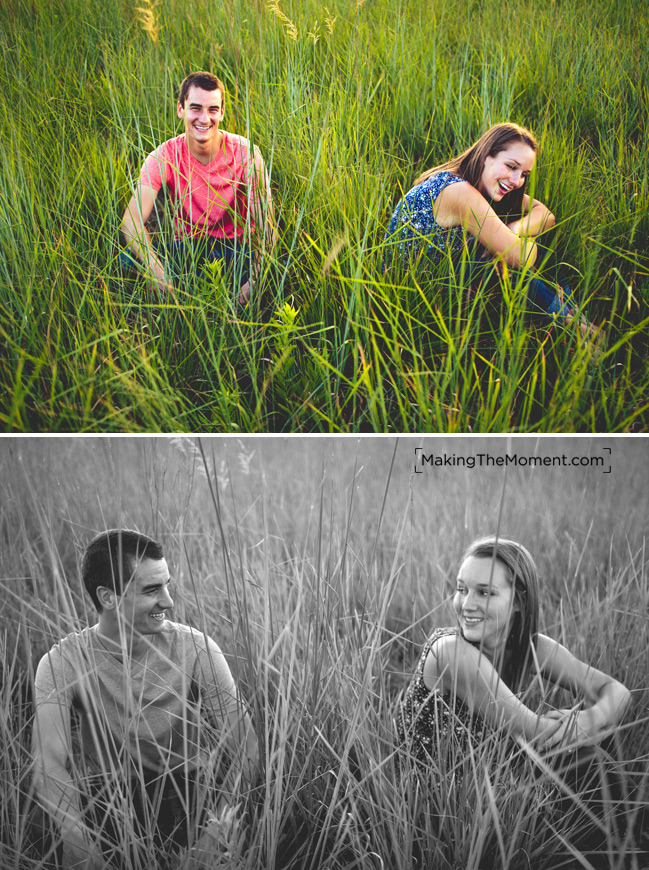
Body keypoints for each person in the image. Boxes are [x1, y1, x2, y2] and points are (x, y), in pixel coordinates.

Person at [29, 529, 258, 868]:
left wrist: (217, 830)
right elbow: (48, 762)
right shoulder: (62, 660)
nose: (168, 601)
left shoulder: (196, 648)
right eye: (152, 590)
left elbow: (247, 747)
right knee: (39, 823)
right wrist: (77, 839)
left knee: (245, 835)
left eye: (166, 584)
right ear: (108, 597)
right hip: (110, 796)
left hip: (188, 791)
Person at [397, 535, 631, 861]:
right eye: (462, 589)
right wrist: (579, 726)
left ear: (518, 600)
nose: (466, 604)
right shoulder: (452, 654)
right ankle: (616, 851)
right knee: (588, 760)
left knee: (592, 755)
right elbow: (535, 733)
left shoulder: (530, 647)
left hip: (493, 783)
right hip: (436, 807)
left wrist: (586, 720)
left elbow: (618, 692)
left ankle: (617, 848)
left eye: (485, 592)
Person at [384, 123, 595, 337]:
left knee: (518, 238)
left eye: (524, 174)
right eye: (511, 166)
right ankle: (574, 329)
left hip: (437, 276)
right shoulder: (459, 192)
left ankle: (572, 312)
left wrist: (514, 229)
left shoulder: (474, 181)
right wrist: (518, 243)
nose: (516, 181)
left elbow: (546, 215)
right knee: (501, 261)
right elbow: (520, 258)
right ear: (486, 156)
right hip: (414, 295)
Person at [120, 71, 276, 305]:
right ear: (180, 109)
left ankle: (228, 295)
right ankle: (182, 292)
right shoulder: (163, 156)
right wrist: (157, 271)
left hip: (237, 248)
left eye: (212, 109)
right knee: (126, 261)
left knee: (279, 271)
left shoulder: (247, 153)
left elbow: (267, 228)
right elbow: (130, 222)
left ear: (222, 113)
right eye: (195, 108)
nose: (204, 119)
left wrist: (255, 281)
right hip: (189, 249)